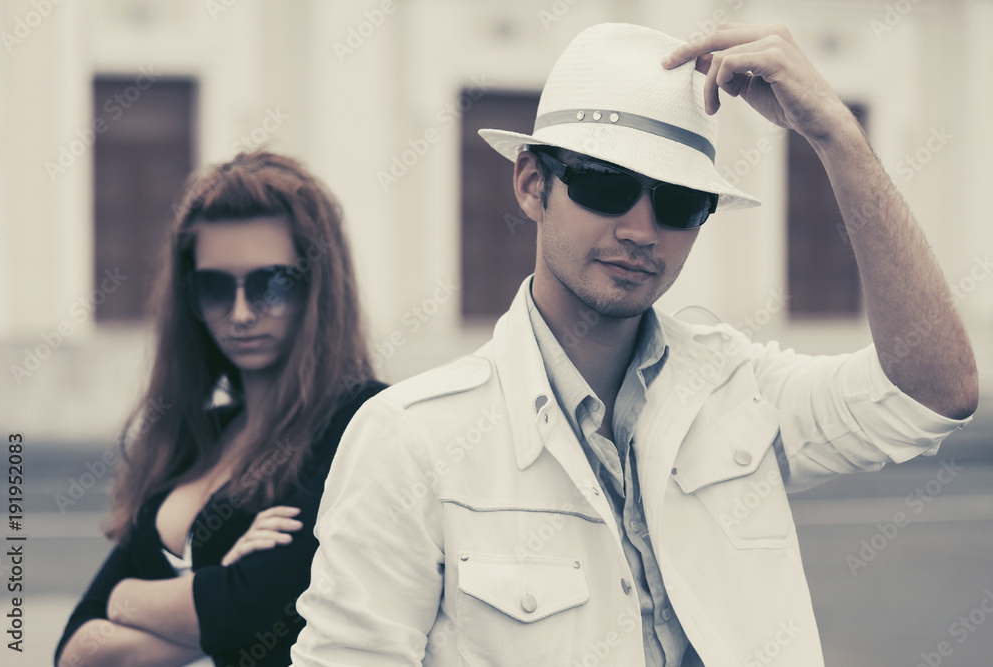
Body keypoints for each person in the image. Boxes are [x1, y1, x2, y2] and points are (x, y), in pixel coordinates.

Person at [289, 23, 978, 667]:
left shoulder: (737, 388)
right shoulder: (411, 438)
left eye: (678, 202)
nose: (643, 230)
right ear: (531, 184)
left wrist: (836, 135)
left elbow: (933, 394)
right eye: (605, 185)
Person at [55, 151, 384, 667]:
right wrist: (214, 591)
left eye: (271, 283)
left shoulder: (360, 420)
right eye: (213, 287)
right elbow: (76, 651)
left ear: (316, 287)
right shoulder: (198, 436)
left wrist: (127, 599)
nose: (241, 313)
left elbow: (250, 609)